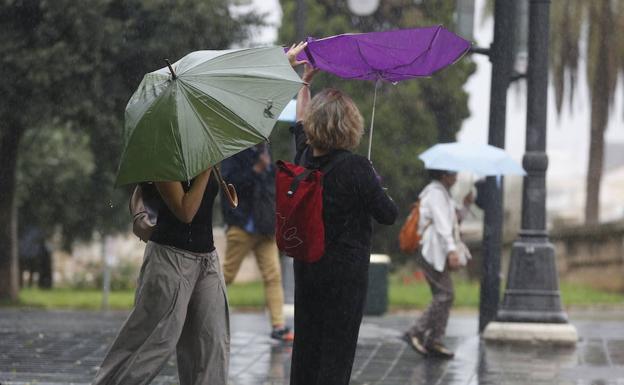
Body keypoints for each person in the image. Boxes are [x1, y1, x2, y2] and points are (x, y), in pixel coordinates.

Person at [286, 43, 398, 385]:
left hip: (308, 268)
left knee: (306, 345)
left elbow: (300, 124)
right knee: (336, 352)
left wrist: (304, 83)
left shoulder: (305, 159)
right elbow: (388, 215)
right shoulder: (357, 168)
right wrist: (377, 185)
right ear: (351, 125)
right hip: (344, 277)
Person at [93, 169, 229, 385]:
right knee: (154, 343)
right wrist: (205, 172)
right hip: (170, 259)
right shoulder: (166, 154)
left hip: (207, 260)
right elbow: (186, 211)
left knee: (211, 347)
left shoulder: (202, 150)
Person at [220, 143, 294, 342]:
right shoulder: (233, 151)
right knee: (226, 275)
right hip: (241, 225)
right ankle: (200, 313)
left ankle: (278, 325)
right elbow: (228, 184)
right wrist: (256, 169)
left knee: (273, 276)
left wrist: (269, 170)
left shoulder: (266, 151)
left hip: (265, 226)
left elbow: (271, 184)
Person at [403, 169, 473, 359]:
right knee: (445, 294)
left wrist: (465, 206)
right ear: (443, 175)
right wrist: (451, 251)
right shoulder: (435, 193)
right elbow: (443, 226)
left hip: (435, 252)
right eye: (453, 174)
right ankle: (417, 332)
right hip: (431, 251)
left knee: (443, 295)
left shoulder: (442, 194)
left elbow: (453, 221)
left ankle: (435, 340)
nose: (457, 177)